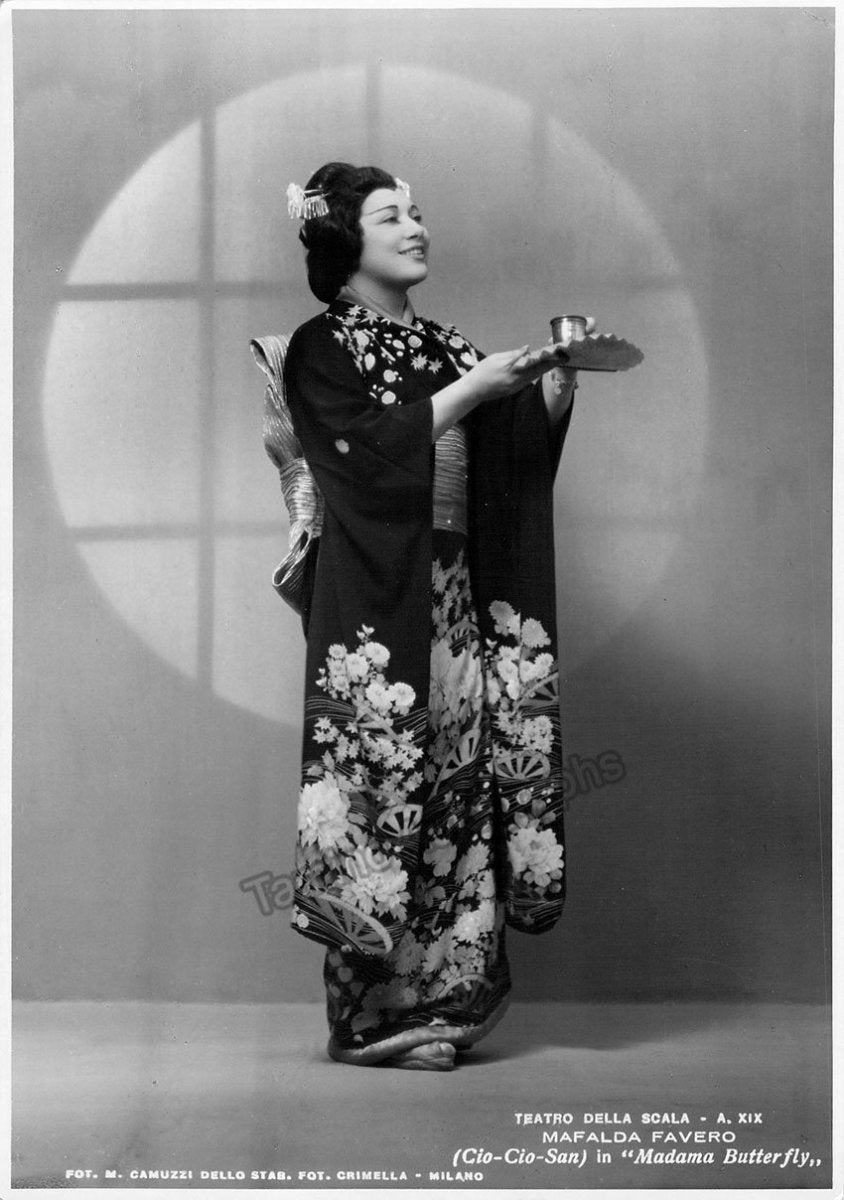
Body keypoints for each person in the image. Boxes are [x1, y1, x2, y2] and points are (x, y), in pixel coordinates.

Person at [253, 161, 584, 1070]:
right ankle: (371, 1018)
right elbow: (354, 457)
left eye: (418, 213)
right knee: (379, 784)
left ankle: (447, 1002)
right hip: (375, 596)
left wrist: (552, 389)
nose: (415, 228)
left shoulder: (445, 343)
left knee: (461, 783)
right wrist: (474, 391)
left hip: (453, 590)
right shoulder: (323, 346)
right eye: (391, 216)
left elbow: (504, 458)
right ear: (343, 239)